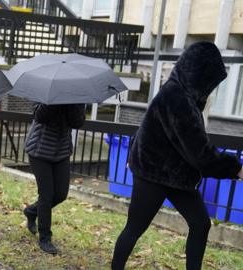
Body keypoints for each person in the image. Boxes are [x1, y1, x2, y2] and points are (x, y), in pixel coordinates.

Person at [111, 41, 243, 270]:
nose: (212, 88)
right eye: (211, 81)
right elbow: (200, 152)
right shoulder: (177, 97)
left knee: (201, 223)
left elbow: (151, 130)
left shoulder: (182, 94)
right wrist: (236, 168)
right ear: (201, 75)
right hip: (152, 175)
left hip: (177, 176)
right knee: (135, 228)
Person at [23, 103, 86, 254]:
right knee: (46, 194)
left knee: (60, 194)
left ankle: (31, 211)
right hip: (39, 149)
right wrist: (55, 102)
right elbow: (40, 116)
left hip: (61, 151)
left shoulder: (77, 98)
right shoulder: (48, 92)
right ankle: (45, 238)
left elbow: (77, 122)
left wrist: (73, 104)